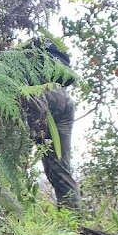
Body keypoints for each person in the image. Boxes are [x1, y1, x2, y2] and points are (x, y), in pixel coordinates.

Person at [36, 43, 81, 209]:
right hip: (65, 100)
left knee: (13, 150)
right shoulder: (59, 57)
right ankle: (72, 223)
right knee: (60, 167)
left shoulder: (28, 54)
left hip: (42, 92)